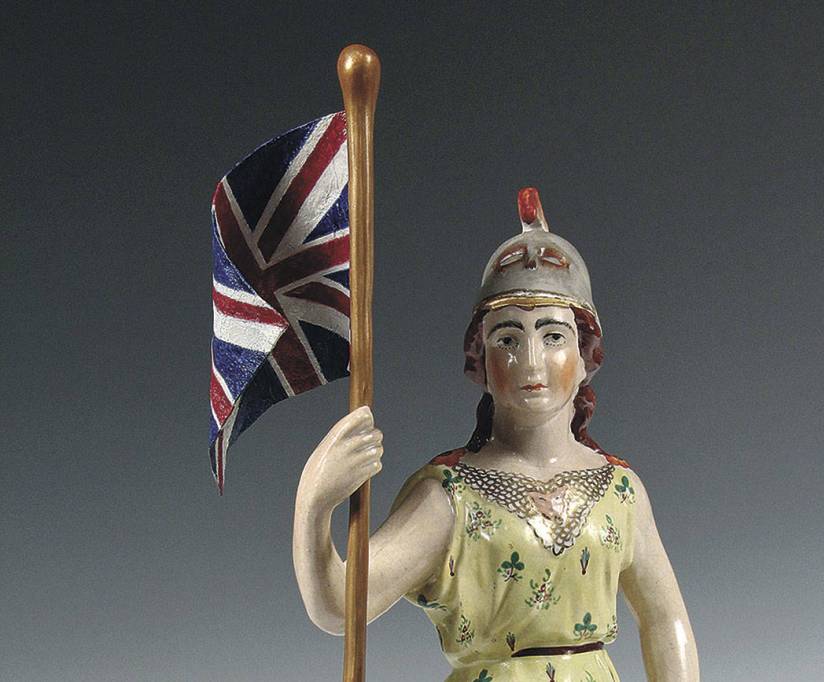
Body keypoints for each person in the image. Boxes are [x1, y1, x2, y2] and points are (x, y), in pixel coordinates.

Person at [293, 188, 699, 681]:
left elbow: (665, 619)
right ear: (480, 361)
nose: (531, 361)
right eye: (507, 338)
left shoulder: (620, 491)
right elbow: (340, 608)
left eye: (553, 336)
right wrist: (314, 504)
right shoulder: (448, 497)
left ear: (585, 356)